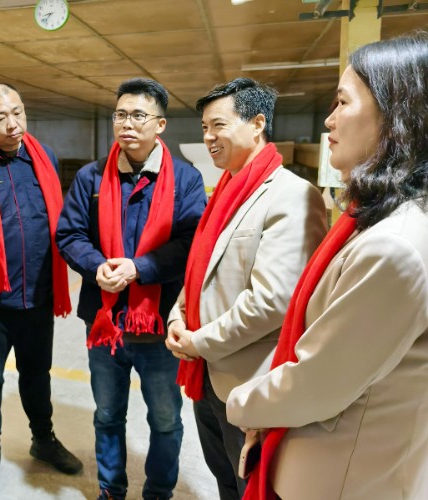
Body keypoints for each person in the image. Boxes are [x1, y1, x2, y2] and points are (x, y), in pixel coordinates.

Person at [226, 31, 428, 500]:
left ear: (396, 116)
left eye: (343, 102)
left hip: (340, 476)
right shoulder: (380, 218)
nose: (329, 120)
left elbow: (318, 383)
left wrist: (241, 400)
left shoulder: (394, 247)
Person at [164, 78, 326, 500]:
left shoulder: (291, 196)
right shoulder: (225, 191)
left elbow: (272, 301)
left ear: (257, 124)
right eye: (204, 127)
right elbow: (201, 269)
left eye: (218, 125)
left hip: (249, 380)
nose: (208, 137)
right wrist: (178, 316)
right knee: (224, 479)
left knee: (251, 487)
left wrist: (198, 341)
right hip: (207, 375)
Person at [56, 77, 207, 500]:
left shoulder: (185, 180)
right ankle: (111, 488)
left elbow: (191, 242)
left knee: (165, 419)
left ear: (160, 124)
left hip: (157, 324)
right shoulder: (90, 178)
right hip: (105, 322)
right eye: (120, 115)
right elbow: (69, 234)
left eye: (138, 115)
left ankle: (158, 491)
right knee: (107, 415)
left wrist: (139, 269)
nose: (127, 123)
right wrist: (97, 267)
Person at [0, 83, 81, 493]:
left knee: (37, 374)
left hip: (38, 294)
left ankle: (43, 438)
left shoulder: (44, 157)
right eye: (0, 117)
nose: (12, 124)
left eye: (17, 112)